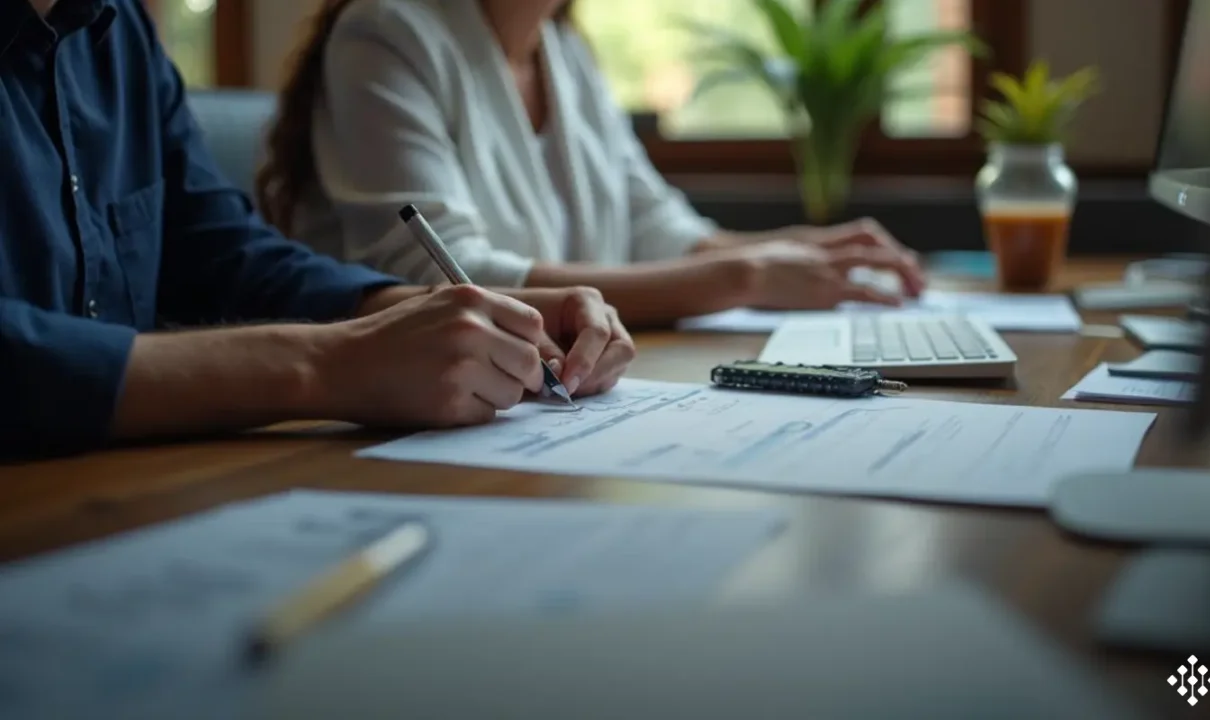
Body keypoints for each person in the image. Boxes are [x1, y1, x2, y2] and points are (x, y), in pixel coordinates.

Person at [0, 0, 635, 460]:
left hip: (130, 494)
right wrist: (322, 364)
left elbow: (222, 252)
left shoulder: (119, 32)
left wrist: (442, 310)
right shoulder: (391, 29)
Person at [257, 0, 930, 327]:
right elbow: (444, 276)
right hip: (387, 430)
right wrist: (746, 275)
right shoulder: (387, 34)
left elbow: (654, 227)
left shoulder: (563, 52)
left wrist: (802, 252)